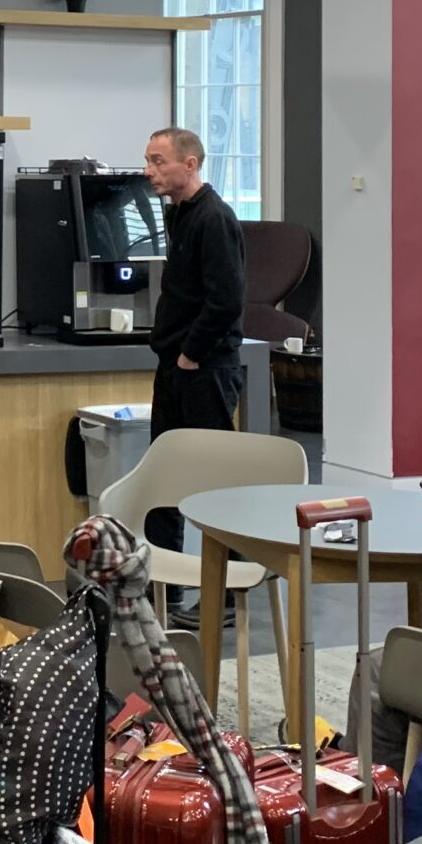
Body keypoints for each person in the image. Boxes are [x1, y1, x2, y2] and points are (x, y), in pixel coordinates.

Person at [141, 126, 245, 565]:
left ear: (190, 163)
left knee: (217, 481)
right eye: (147, 160)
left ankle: (227, 592)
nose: (149, 171)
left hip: (204, 370)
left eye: (158, 161)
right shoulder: (178, 214)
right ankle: (163, 580)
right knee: (162, 477)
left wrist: (191, 354)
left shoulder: (214, 219)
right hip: (174, 366)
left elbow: (226, 299)